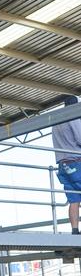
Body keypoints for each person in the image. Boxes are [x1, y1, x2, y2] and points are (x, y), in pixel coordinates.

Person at [52, 94, 81, 235]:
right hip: (76, 162)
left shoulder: (57, 120)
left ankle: (75, 230)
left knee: (73, 199)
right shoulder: (73, 116)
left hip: (63, 165)